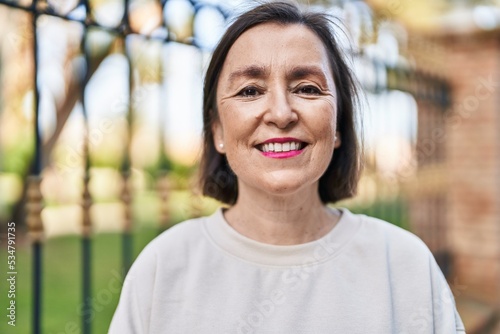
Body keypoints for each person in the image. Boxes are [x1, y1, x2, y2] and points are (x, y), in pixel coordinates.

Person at [109, 2, 465, 333]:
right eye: (250, 91)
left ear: (338, 126)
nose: (281, 113)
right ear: (217, 130)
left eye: (307, 88)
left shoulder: (404, 265)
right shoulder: (162, 268)